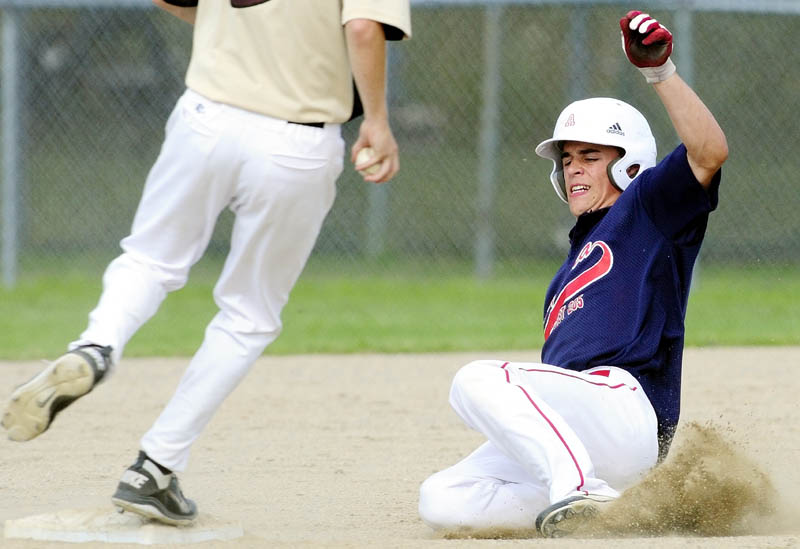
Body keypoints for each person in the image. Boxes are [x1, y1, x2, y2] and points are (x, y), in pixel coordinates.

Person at [2, 0, 411, 526]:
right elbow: (361, 27)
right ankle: (155, 466)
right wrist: (377, 120)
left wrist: (238, 28)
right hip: (296, 140)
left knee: (149, 259)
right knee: (248, 313)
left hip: (207, 116)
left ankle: (96, 346)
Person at [418, 10, 727, 538]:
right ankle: (610, 511)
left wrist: (660, 71)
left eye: (589, 155)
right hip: (587, 434)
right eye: (567, 159)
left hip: (625, 410)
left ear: (629, 164)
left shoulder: (649, 208)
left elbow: (709, 152)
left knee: (476, 380)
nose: (573, 167)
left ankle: (577, 487)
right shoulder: (566, 272)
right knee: (442, 499)